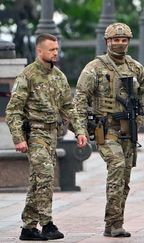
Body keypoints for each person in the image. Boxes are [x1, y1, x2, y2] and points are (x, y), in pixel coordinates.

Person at [73, 23, 144, 237]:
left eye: (124, 40)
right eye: (116, 40)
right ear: (107, 42)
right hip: (106, 130)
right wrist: (79, 129)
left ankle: (114, 222)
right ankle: (114, 224)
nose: (120, 44)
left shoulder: (135, 67)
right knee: (116, 167)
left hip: (129, 131)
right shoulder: (94, 68)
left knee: (124, 179)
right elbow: (79, 100)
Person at [5, 33, 88, 241]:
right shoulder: (28, 76)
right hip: (35, 134)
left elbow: (68, 107)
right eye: (51, 50)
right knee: (46, 175)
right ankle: (47, 224)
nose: (55, 53)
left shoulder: (58, 76)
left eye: (57, 49)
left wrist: (79, 131)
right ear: (39, 51)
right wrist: (18, 138)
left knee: (38, 180)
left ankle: (28, 228)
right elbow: (13, 110)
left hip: (53, 134)